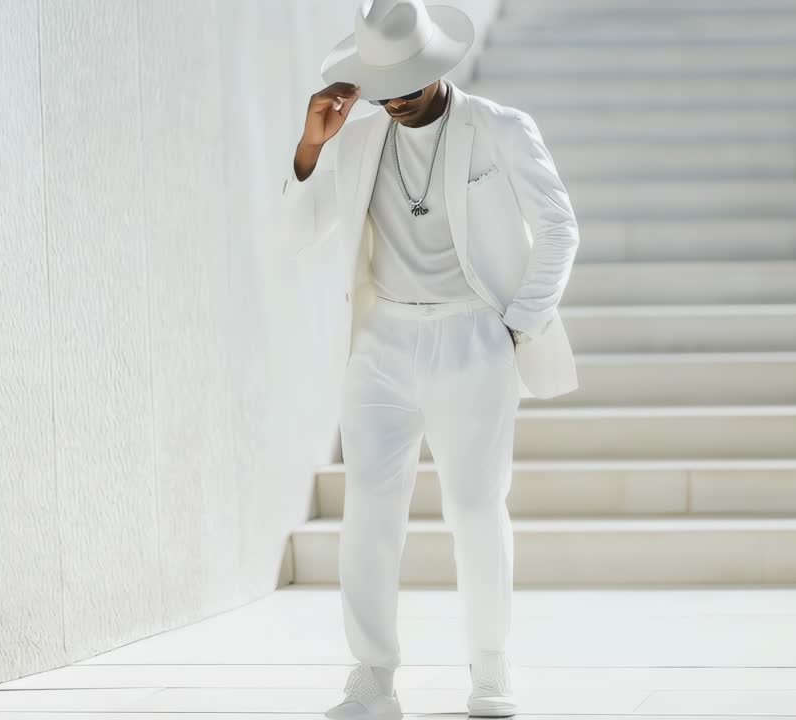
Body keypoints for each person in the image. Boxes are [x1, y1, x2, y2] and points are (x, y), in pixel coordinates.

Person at [280, 1, 580, 718]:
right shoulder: (356, 144)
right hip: (381, 346)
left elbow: (559, 227)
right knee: (370, 512)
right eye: (382, 91)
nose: (395, 102)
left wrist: (516, 324)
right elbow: (296, 235)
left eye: (407, 87)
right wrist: (310, 146)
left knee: (476, 509)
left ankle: (490, 673)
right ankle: (373, 677)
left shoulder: (499, 129)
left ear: (437, 67)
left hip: (472, 339)